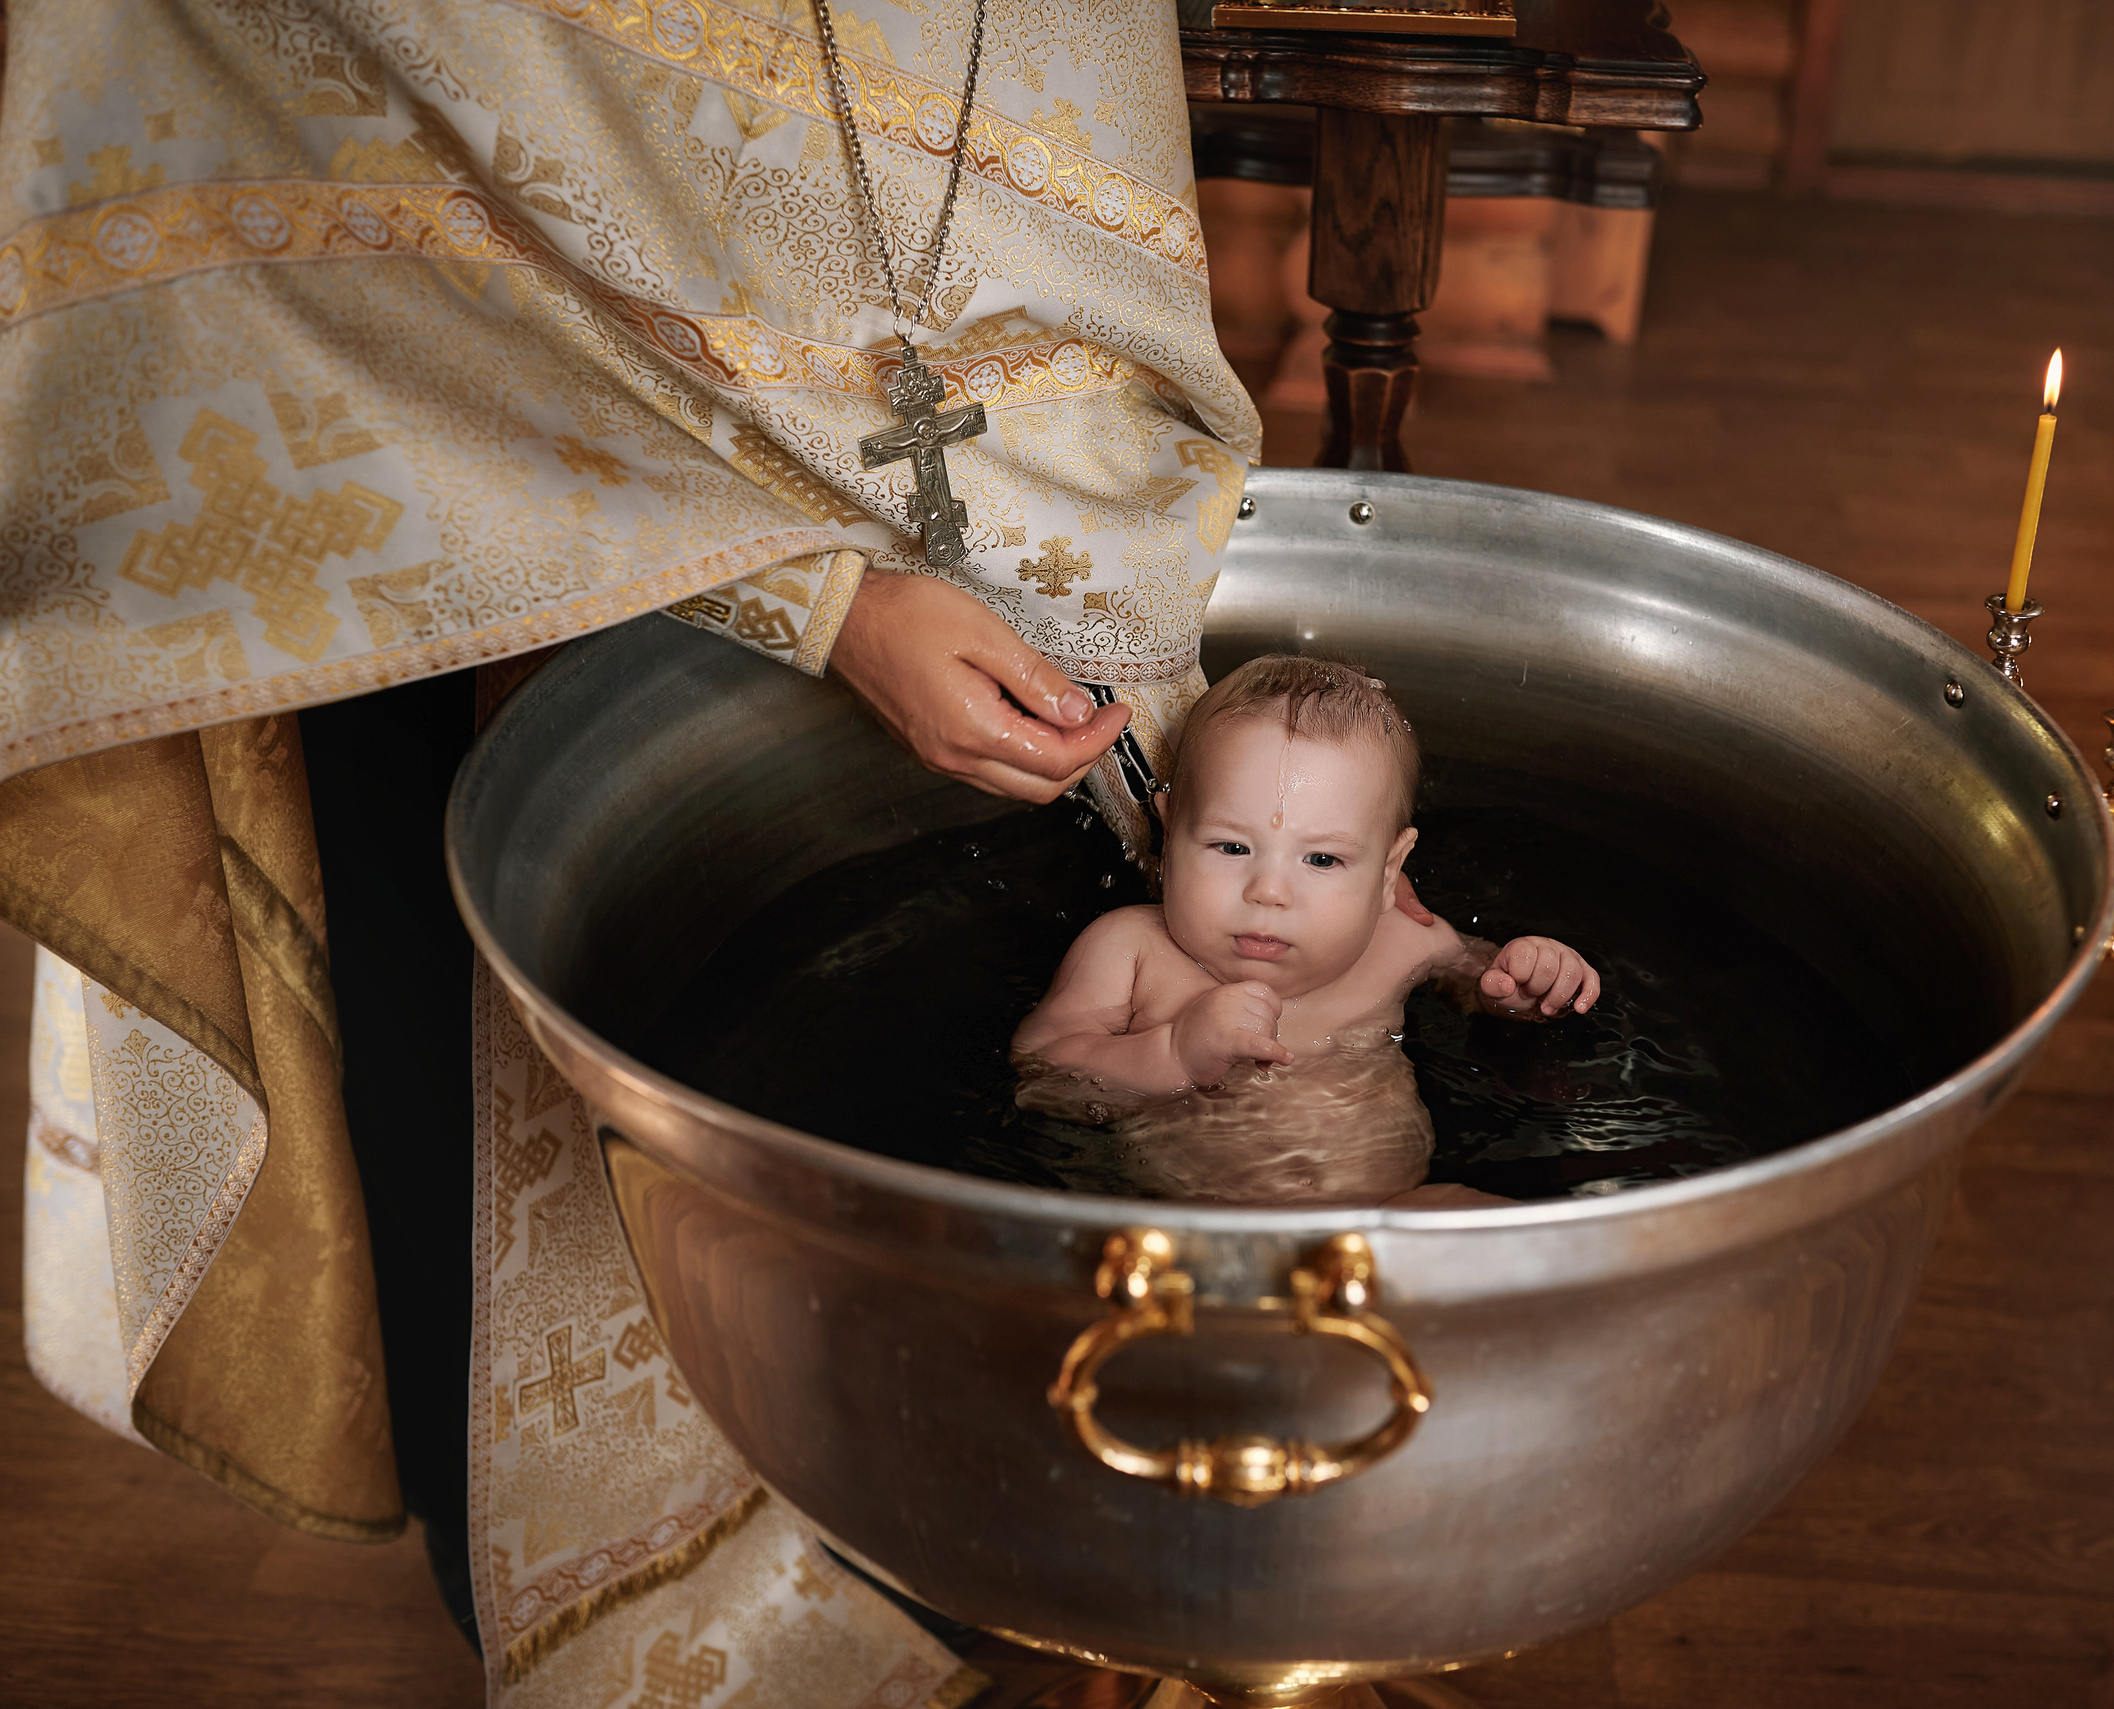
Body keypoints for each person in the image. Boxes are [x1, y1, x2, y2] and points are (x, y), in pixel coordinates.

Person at [1, 1, 1254, 1700]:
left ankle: (1015, 1569)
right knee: (554, 1177)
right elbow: (343, 201)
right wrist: (809, 595)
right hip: (500, 582)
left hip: (1003, 560)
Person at [1012, 655, 1597, 1207]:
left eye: (1321, 860)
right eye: (1231, 846)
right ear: (1170, 834)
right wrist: (1172, 1054)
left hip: (1393, 1213)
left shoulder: (1400, 938)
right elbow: (1042, 1077)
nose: (1269, 891)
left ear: (1390, 869)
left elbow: (1483, 979)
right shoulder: (1130, 950)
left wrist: (1526, 986)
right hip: (1208, 1223)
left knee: (1510, 1234)